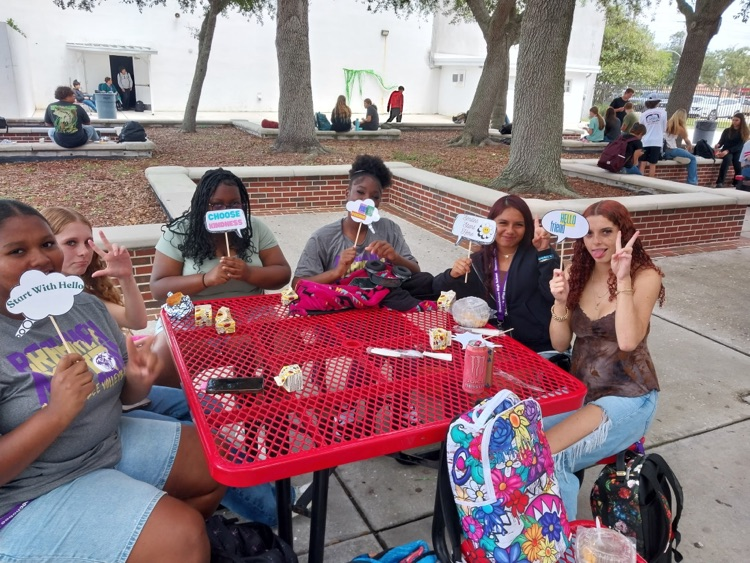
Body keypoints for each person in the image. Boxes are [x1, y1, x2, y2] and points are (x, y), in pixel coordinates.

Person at [0, 199, 225, 562]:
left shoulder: (84, 307)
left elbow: (121, 396)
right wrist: (55, 413)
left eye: (45, 244)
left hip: (106, 443)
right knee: (182, 536)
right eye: (16, 251)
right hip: (28, 491)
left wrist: (138, 380)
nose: (41, 260)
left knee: (215, 461)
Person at [545, 199, 665, 519]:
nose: (596, 242)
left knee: (551, 456)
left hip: (628, 395)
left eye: (606, 232)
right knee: (526, 438)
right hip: (582, 394)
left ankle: (559, 546)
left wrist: (622, 279)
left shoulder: (645, 276)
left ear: (623, 233)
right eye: (589, 234)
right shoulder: (577, 273)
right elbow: (559, 342)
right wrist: (560, 302)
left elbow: (627, 340)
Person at [150, 168, 291, 386]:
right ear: (201, 205)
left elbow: (282, 273)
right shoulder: (179, 232)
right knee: (162, 361)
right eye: (216, 205)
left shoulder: (255, 227)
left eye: (235, 204)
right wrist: (205, 279)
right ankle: (179, 409)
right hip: (191, 314)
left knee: (286, 347)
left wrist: (249, 273)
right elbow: (159, 289)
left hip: (249, 311)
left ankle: (271, 403)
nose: (225, 210)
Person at [432, 195, 559, 353]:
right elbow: (437, 289)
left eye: (518, 225)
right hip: (491, 344)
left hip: (535, 347)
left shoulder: (540, 255)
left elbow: (553, 296)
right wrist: (452, 275)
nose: (510, 231)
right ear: (491, 224)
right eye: (503, 223)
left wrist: (545, 252)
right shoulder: (477, 261)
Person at [293, 154, 419, 287]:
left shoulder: (389, 230)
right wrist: (336, 272)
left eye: (375, 197)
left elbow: (417, 272)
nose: (367, 201)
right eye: (360, 192)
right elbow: (297, 284)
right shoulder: (323, 238)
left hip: (382, 303)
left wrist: (395, 258)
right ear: (347, 194)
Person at [714, 113, 749, 188]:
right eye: (733, 120)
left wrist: (728, 151)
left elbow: (740, 145)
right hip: (726, 149)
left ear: (741, 121)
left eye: (736, 120)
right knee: (727, 160)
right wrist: (718, 145)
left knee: (738, 164)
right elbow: (722, 141)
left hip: (737, 150)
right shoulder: (727, 130)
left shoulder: (744, 132)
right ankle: (720, 182)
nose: (734, 122)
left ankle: (737, 182)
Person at [664, 109, 698, 185]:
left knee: (683, 154)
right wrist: (689, 146)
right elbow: (686, 140)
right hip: (672, 150)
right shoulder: (680, 128)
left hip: (664, 151)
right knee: (693, 158)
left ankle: (679, 157)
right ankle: (692, 182)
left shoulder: (667, 123)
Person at [638, 93, 667, 178]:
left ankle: (640, 181)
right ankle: (650, 183)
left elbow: (641, 128)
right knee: (652, 164)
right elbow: (665, 128)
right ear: (657, 102)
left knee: (642, 163)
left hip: (645, 141)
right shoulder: (663, 113)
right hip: (657, 141)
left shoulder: (643, 114)